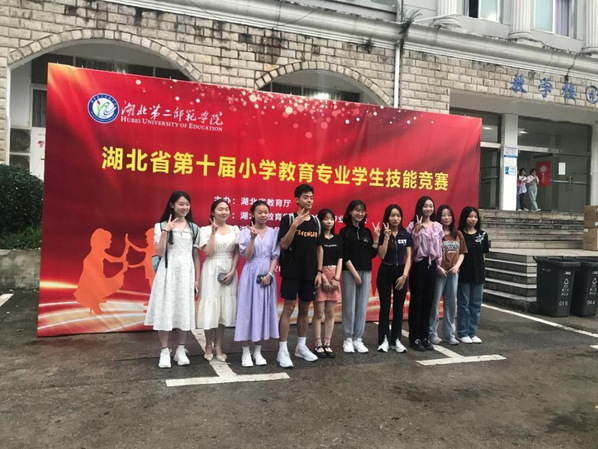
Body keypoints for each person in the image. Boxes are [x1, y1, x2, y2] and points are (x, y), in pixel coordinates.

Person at [144, 191, 200, 369]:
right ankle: (164, 350)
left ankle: (181, 350)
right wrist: (165, 231)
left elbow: (196, 255)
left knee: (184, 311)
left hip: (186, 273)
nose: (184, 207)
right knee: (165, 310)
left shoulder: (194, 228)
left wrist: (197, 280)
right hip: (167, 273)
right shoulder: (160, 225)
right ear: (172, 205)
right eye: (181, 204)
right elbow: (160, 252)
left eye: (187, 204)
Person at [277, 184, 321, 368]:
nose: (309, 200)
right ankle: (282, 350)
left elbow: (319, 249)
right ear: (297, 199)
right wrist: (294, 226)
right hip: (291, 271)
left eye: (311, 197)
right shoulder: (288, 219)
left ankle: (301, 347)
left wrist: (319, 272)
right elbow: (284, 244)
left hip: (310, 273)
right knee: (288, 308)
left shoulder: (316, 222)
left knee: (304, 309)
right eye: (305, 197)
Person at [234, 200, 280, 367]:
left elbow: (275, 256)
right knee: (247, 310)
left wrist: (269, 274)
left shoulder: (274, 233)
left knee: (263, 311)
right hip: (250, 274)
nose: (263, 215)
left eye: (266, 212)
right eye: (259, 212)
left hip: (267, 275)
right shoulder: (245, 232)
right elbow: (247, 256)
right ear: (252, 214)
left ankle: (258, 351)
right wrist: (252, 239)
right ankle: (245, 351)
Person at [197, 199, 240, 362]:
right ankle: (208, 345)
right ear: (213, 212)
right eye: (220, 209)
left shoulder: (234, 230)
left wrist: (233, 271)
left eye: (226, 209)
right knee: (211, 306)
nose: (224, 212)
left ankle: (219, 346)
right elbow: (207, 252)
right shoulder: (205, 230)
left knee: (223, 309)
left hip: (228, 269)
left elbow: (237, 252)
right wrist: (213, 233)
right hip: (211, 269)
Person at [339, 200, 380, 354]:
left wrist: (376, 238)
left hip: (366, 271)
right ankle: (348, 338)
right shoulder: (344, 232)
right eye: (356, 210)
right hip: (349, 272)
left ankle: (358, 338)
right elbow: (344, 255)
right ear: (350, 212)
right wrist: (355, 274)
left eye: (362, 211)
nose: (360, 213)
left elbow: (372, 254)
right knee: (349, 306)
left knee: (362, 306)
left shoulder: (366, 231)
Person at [406, 196, 442, 351]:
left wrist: (438, 264)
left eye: (431, 206)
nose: (428, 209)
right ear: (420, 208)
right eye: (425, 206)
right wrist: (416, 231)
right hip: (418, 264)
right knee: (417, 301)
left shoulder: (438, 226)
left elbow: (439, 248)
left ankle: (424, 336)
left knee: (429, 301)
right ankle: (414, 337)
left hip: (432, 265)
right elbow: (411, 249)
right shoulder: (412, 225)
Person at [429, 205, 467, 346]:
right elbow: (430, 253)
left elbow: (462, 253)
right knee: (434, 303)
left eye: (449, 215)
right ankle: (432, 333)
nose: (446, 218)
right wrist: (438, 267)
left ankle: (449, 334)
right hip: (439, 273)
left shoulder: (458, 234)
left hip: (453, 273)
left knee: (451, 304)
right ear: (439, 217)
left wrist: (457, 266)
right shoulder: (435, 233)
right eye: (443, 215)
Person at [376, 204, 412, 353]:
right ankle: (383, 340)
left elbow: (409, 257)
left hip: (401, 273)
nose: (395, 218)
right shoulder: (382, 234)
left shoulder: (405, 235)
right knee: (385, 307)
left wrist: (404, 275)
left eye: (398, 215)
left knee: (398, 308)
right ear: (387, 217)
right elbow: (381, 255)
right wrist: (386, 237)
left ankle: (396, 340)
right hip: (385, 271)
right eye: (392, 215)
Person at [457, 206, 490, 344]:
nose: (473, 219)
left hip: (478, 274)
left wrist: (483, 271)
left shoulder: (483, 235)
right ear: (465, 218)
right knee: (464, 304)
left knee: (476, 304)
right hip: (464, 273)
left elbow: (483, 255)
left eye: (475, 217)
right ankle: (462, 332)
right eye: (470, 216)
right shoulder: (459, 234)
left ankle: (472, 332)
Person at [313, 208, 343, 358]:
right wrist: (323, 278)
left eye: (331, 218)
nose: (329, 221)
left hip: (334, 277)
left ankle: (327, 344)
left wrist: (336, 278)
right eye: (326, 218)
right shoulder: (317, 238)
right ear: (320, 221)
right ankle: (317, 344)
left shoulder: (337, 239)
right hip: (321, 276)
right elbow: (315, 259)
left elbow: (340, 259)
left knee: (330, 313)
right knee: (318, 313)